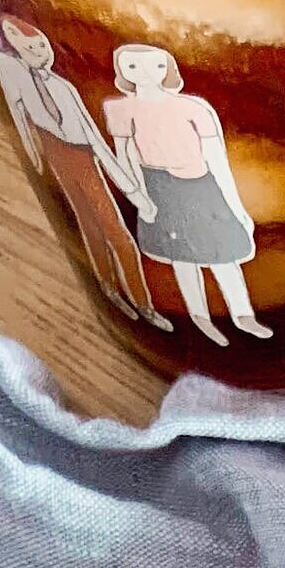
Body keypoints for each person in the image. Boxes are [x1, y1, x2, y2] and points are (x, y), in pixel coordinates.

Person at [0, 15, 166, 329]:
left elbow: (95, 141)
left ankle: (142, 304)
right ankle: (112, 291)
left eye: (42, 45)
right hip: (55, 155)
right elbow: (18, 114)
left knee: (116, 234)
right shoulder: (16, 73)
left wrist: (132, 191)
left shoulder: (63, 86)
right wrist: (34, 155)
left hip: (81, 157)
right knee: (89, 227)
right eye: (31, 46)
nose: (41, 51)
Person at [100, 45, 270, 347]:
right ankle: (200, 317)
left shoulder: (194, 108)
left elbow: (217, 159)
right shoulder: (122, 110)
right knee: (181, 257)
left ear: (168, 69)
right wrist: (139, 196)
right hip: (159, 187)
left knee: (224, 254)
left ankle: (243, 315)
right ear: (123, 72)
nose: (146, 73)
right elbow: (125, 157)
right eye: (133, 67)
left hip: (201, 185)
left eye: (156, 65)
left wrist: (235, 204)